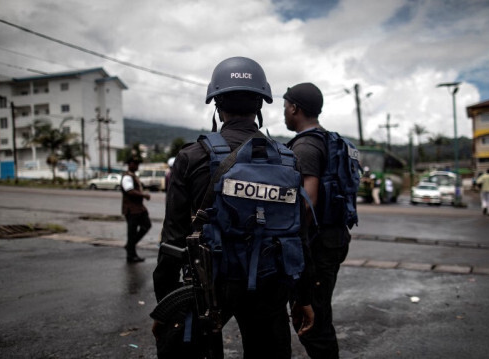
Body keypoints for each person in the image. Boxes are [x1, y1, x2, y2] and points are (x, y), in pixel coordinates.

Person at [152, 57, 314, 359]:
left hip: (209, 283)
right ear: (260, 105)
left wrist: (166, 306)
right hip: (270, 284)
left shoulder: (192, 157)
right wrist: (302, 297)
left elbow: (172, 241)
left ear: (217, 103)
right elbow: (299, 236)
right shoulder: (288, 160)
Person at [283, 82, 350, 359]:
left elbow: (306, 206)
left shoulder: (306, 147)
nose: (284, 113)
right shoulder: (330, 139)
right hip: (335, 236)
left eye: (285, 107)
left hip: (317, 244)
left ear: (295, 108)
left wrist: (294, 250)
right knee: (319, 313)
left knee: (312, 320)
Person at [120, 156, 151, 263]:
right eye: (135, 164)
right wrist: (143, 195)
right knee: (132, 232)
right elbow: (129, 191)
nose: (137, 166)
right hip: (131, 209)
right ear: (130, 165)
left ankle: (130, 245)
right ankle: (131, 255)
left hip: (139, 208)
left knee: (147, 225)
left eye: (138, 164)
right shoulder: (127, 177)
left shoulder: (133, 176)